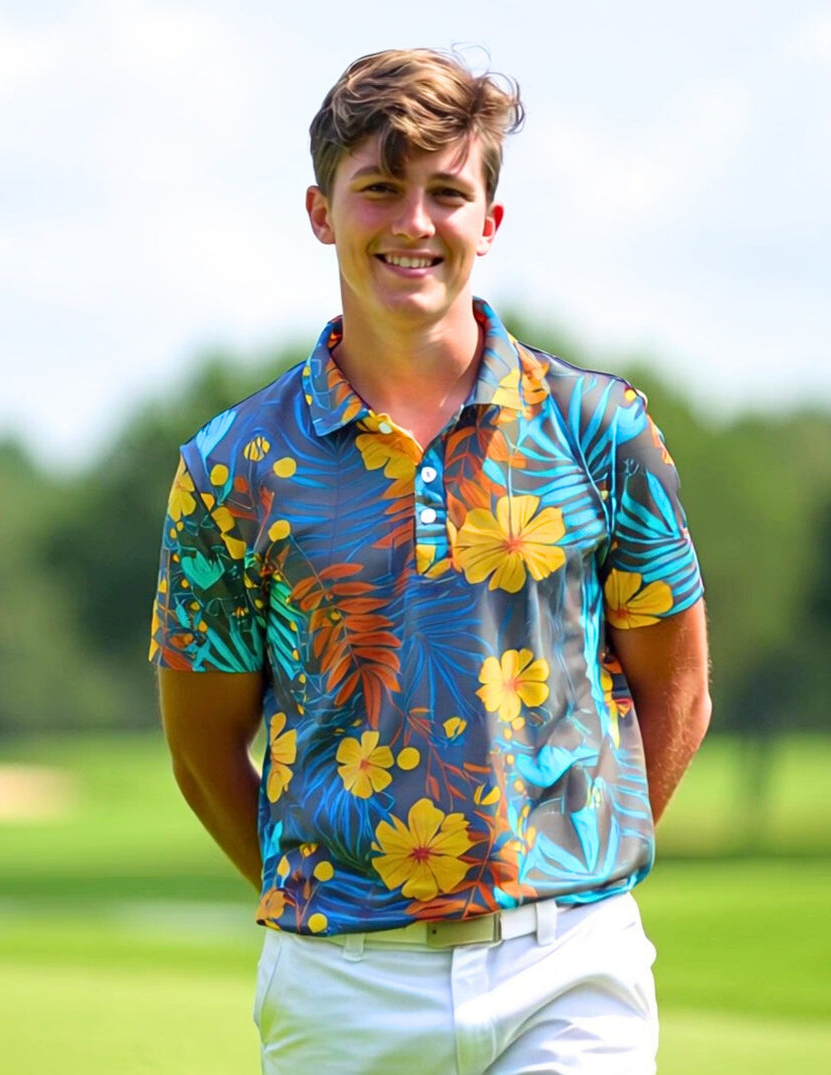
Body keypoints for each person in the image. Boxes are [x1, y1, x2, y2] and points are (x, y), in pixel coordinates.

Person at [150, 47, 711, 1075]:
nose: (414, 222)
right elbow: (201, 750)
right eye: (378, 188)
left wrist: (574, 871)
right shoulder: (233, 467)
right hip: (339, 987)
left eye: (446, 192)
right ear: (321, 211)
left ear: (487, 223)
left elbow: (676, 687)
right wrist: (329, 903)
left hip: (567, 971)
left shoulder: (597, 430)